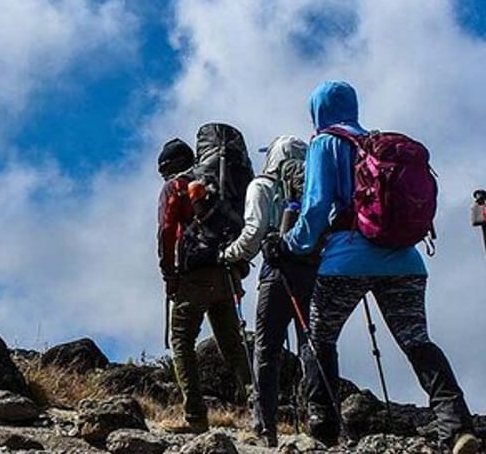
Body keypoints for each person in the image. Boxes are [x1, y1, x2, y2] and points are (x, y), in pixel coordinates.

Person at [277, 81, 480, 454]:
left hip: (346, 260)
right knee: (416, 340)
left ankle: (323, 427)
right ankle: (456, 425)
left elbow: (317, 207)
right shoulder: (378, 145)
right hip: (405, 259)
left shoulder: (325, 142)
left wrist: (290, 245)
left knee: (319, 337)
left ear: (317, 110)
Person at [157, 133, 253, 433]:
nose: (161, 174)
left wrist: (169, 273)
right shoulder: (218, 184)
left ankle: (195, 417)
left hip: (194, 276)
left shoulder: (176, 186)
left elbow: (167, 231)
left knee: (182, 341)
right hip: (228, 272)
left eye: (162, 168)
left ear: (171, 164)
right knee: (234, 347)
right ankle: (261, 412)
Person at [220, 135, 310, 446]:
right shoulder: (312, 184)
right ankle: (320, 422)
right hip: (313, 269)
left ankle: (265, 427)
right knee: (311, 346)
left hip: (277, 270)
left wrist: (227, 255)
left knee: (267, 349)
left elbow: (254, 233)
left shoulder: (261, 185)